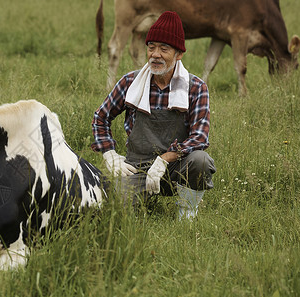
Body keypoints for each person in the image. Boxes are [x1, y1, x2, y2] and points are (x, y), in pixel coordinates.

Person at [91, 11, 216, 220]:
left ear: (179, 54)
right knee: (116, 211)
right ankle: (140, 202)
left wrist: (165, 159)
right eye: (151, 47)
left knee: (201, 161)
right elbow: (100, 118)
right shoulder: (130, 82)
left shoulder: (195, 88)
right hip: (137, 169)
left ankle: (187, 214)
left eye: (164, 49)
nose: (155, 54)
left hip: (177, 168)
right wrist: (109, 155)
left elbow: (200, 138)